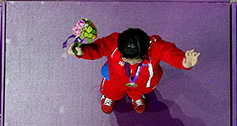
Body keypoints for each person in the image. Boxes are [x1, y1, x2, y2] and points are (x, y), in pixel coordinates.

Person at [68, 28, 200, 114]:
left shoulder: (154, 45)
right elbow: (97, 48)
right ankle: (109, 97)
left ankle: (136, 97)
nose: (131, 63)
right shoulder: (113, 41)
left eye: (136, 60)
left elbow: (169, 53)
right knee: (111, 90)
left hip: (143, 82)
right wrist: (82, 51)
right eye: (126, 59)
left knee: (138, 91)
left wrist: (185, 62)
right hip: (116, 79)